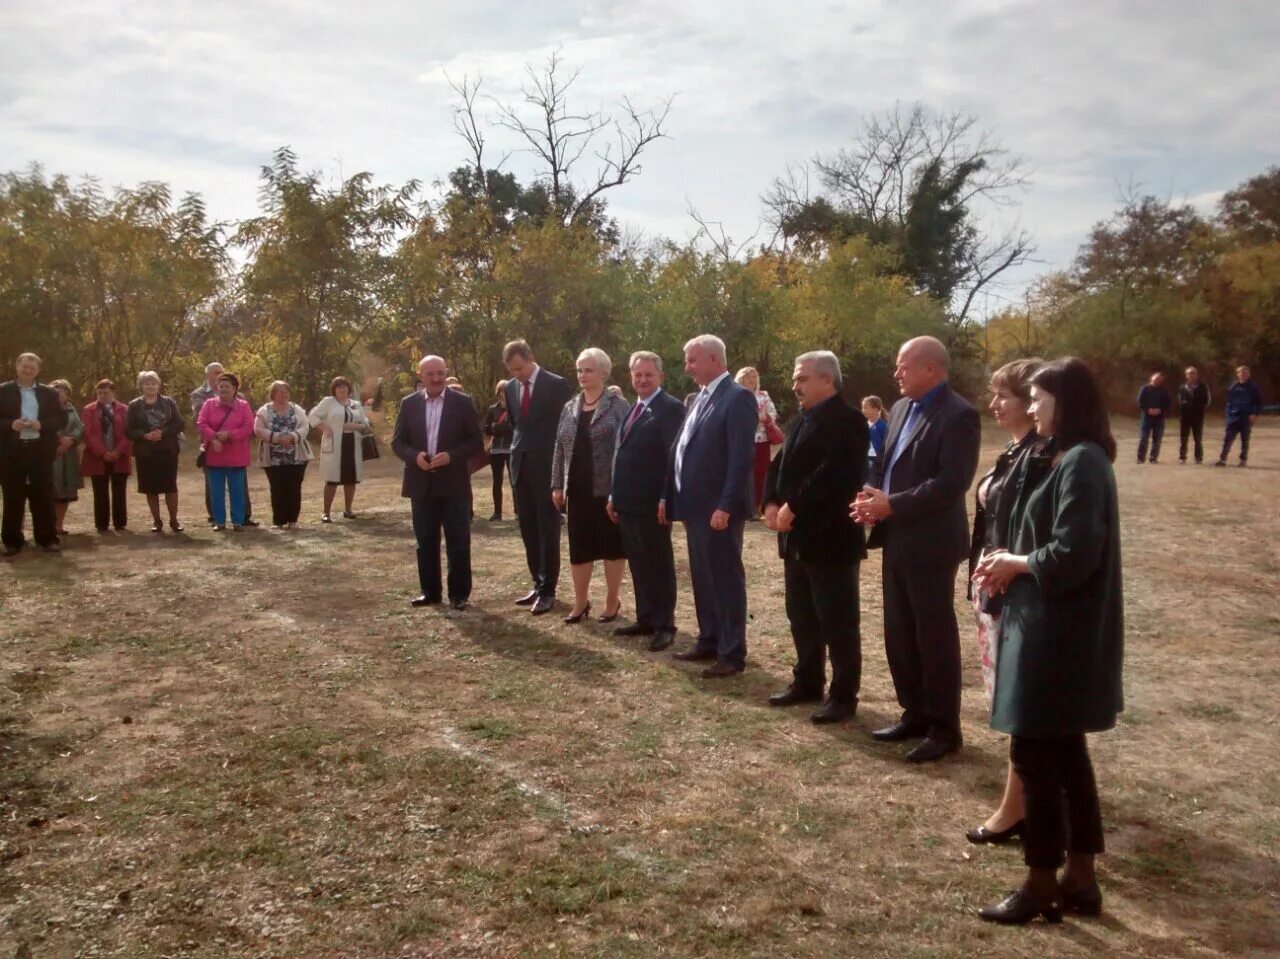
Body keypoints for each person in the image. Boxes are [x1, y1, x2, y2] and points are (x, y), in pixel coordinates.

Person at [972, 357, 1123, 924]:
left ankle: (1040, 885)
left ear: (1067, 400)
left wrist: (1017, 561)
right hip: (1047, 625)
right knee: (1066, 754)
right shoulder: (1065, 457)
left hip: (1057, 634)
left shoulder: (1082, 463)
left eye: (1038, 398)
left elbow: (1073, 554)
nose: (1031, 407)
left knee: (1034, 753)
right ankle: (1080, 878)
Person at [851, 336, 981, 762]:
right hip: (897, 534)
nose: (896, 374)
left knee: (933, 634)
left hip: (932, 541)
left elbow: (951, 482)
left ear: (931, 368)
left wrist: (894, 504)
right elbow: (886, 464)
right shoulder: (902, 407)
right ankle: (915, 713)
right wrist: (873, 496)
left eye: (904, 366)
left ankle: (945, 729)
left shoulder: (959, 415)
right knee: (899, 629)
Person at [763, 351, 868, 723]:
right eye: (796, 379)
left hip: (830, 538)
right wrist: (771, 501)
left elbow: (837, 474)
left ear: (828, 380)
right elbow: (779, 464)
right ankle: (807, 681)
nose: (795, 386)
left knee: (837, 620)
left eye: (802, 378)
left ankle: (843, 696)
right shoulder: (800, 420)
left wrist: (796, 504)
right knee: (802, 615)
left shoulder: (850, 421)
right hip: (796, 539)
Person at [965, 358, 1043, 846]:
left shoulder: (1042, 457)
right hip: (994, 594)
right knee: (1007, 701)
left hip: (1018, 597)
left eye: (1004, 397)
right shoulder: (1014, 452)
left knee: (1021, 706)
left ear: (1034, 406)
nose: (994, 404)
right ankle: (1023, 802)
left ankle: (1017, 808)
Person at [662, 334, 759, 677]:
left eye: (692, 360)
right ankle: (709, 640)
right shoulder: (699, 398)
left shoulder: (738, 399)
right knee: (703, 577)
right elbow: (682, 449)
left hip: (719, 509)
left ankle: (731, 653)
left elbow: (740, 457)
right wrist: (670, 498)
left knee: (725, 578)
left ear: (715, 360)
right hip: (694, 508)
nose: (686, 367)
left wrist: (727, 504)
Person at [608, 351, 686, 651]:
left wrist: (667, 497)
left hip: (654, 504)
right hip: (627, 503)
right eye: (637, 375)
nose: (642, 380)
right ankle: (646, 618)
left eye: (648, 375)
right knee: (639, 563)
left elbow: (673, 458)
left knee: (659, 564)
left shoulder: (670, 409)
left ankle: (665, 625)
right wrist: (614, 495)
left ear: (660, 377)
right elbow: (621, 455)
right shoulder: (633, 409)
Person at [391, 356, 483, 610]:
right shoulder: (408, 404)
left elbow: (475, 442)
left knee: (458, 541)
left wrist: (452, 456)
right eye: (430, 374)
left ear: (446, 373)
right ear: (420, 375)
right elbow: (398, 442)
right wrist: (414, 456)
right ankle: (430, 592)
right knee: (425, 541)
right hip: (421, 484)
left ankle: (459, 595)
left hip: (453, 483)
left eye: (441, 373)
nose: (436, 378)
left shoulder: (462, 403)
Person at [551, 348, 630, 624]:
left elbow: (627, 448)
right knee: (579, 548)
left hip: (607, 489)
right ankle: (580, 602)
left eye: (589, 370)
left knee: (612, 546)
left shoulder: (618, 405)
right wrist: (556, 484)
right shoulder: (569, 407)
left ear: (603, 373)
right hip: (577, 489)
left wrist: (620, 489)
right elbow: (559, 447)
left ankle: (611, 601)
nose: (583, 375)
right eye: (579, 370)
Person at [503, 340, 573, 615]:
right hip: (520, 466)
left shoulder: (556, 384)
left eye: (520, 368)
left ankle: (548, 590)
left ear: (531, 358)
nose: (517, 375)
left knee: (548, 528)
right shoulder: (509, 389)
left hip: (547, 467)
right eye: (512, 370)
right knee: (528, 528)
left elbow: (565, 427)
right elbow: (515, 426)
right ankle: (536, 581)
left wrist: (562, 471)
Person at [0, 353, 67, 555]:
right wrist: (10, 424)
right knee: (13, 497)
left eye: (32, 367)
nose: (28, 370)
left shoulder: (49, 393)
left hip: (40, 451)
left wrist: (42, 425)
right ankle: (12, 541)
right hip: (12, 451)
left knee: (43, 496)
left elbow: (61, 420)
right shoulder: (3, 391)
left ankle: (47, 539)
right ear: (17, 367)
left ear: (38, 370)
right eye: (24, 366)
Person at [191, 362, 257, 527]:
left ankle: (238, 521)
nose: (223, 389)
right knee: (216, 491)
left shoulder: (243, 405)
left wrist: (229, 436)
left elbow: (248, 427)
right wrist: (213, 438)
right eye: (220, 387)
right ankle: (219, 521)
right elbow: (201, 423)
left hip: (237, 454)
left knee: (237, 490)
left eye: (227, 387)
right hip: (215, 453)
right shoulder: (208, 404)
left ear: (234, 388)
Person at [126, 371, 186, 532]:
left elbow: (179, 424)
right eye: (147, 383)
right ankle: (157, 521)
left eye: (153, 383)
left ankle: (174, 521)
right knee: (150, 488)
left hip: (167, 450)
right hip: (145, 453)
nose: (150, 386)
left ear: (158, 385)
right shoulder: (134, 405)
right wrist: (144, 435)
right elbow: (128, 430)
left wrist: (163, 432)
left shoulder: (169, 403)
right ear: (141, 386)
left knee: (170, 487)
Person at [308, 377, 372, 522]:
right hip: (335, 444)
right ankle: (326, 513)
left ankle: (348, 510)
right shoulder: (328, 402)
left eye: (344, 387)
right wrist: (324, 427)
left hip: (352, 444)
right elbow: (312, 416)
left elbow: (365, 422)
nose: (342, 389)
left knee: (351, 479)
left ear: (349, 389)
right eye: (338, 387)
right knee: (331, 479)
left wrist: (356, 426)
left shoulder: (355, 404)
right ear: (334, 389)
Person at [254, 381, 313, 529]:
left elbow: (305, 427)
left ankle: (293, 520)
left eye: (286, 391)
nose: (283, 394)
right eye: (280, 391)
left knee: (294, 488)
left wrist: (292, 437)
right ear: (273, 394)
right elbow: (258, 429)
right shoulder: (264, 411)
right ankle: (279, 521)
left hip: (296, 457)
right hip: (273, 458)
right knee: (277, 488)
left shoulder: (297, 409)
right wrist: (277, 438)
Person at [81, 379, 133, 533]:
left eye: (106, 393)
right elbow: (87, 433)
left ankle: (120, 522)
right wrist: (103, 452)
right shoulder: (89, 410)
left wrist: (118, 451)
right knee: (100, 491)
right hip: (97, 456)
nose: (102, 396)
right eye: (99, 393)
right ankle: (102, 524)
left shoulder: (125, 410)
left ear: (113, 393)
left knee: (119, 490)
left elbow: (129, 433)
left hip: (120, 456)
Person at [734, 367, 780, 518]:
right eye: (749, 377)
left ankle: (760, 507)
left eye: (754, 377)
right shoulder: (735, 395)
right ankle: (747, 507)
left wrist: (765, 417)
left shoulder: (763, 395)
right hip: (742, 440)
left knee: (762, 473)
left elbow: (772, 413)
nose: (752, 379)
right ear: (741, 379)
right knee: (745, 473)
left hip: (762, 441)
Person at [48, 379, 84, 537]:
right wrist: (58, 439)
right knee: (50, 490)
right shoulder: (44, 408)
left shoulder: (71, 409)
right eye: (55, 389)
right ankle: (46, 526)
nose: (59, 392)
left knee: (65, 493)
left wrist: (71, 439)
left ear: (67, 394)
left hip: (69, 455)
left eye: (63, 390)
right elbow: (43, 426)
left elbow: (80, 427)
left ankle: (58, 525)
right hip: (50, 453)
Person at [1216, 365, 1264, 467]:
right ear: (1238, 374)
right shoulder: (1233, 387)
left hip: (1246, 417)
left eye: (1245, 373)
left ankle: (1243, 460)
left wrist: (1255, 414)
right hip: (1233, 417)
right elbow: (1229, 402)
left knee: (1245, 440)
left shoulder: (1253, 387)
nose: (1243, 375)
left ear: (1249, 374)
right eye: (1241, 373)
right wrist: (1228, 415)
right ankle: (1222, 459)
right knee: (1228, 439)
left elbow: (1259, 402)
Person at [483, 380, 513, 521]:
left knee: (515, 481)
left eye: (506, 391)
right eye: (501, 391)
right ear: (498, 393)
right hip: (496, 450)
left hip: (512, 448)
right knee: (497, 481)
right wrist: (493, 428)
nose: (503, 394)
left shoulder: (515, 408)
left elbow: (515, 427)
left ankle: (518, 511)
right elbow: (486, 427)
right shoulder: (492, 409)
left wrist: (498, 428)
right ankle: (497, 512)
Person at [1135, 371, 1171, 464]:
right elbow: (1140, 402)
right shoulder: (1145, 389)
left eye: (1159, 380)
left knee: (1157, 439)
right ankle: (1140, 458)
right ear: (1152, 379)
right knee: (1143, 438)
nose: (1157, 381)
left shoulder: (1164, 391)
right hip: (1146, 418)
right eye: (1156, 379)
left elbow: (1167, 404)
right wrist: (1148, 410)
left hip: (1159, 418)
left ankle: (1153, 458)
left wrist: (1160, 410)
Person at [1177, 366, 1211, 464]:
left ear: (1197, 375)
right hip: (1185, 417)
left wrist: (1200, 409)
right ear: (1186, 375)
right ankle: (1182, 457)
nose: (1191, 375)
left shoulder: (1203, 387)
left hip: (1198, 417)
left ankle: (1198, 458)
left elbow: (1207, 400)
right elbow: (1180, 400)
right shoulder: (1183, 387)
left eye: (1193, 373)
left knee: (1198, 438)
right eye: (1189, 373)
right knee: (1183, 438)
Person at [862, 395, 889, 473]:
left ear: (875, 409)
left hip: (877, 464)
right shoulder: (863, 425)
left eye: (866, 408)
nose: (863, 410)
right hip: (865, 462)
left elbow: (886, 445)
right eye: (863, 408)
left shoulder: (882, 426)